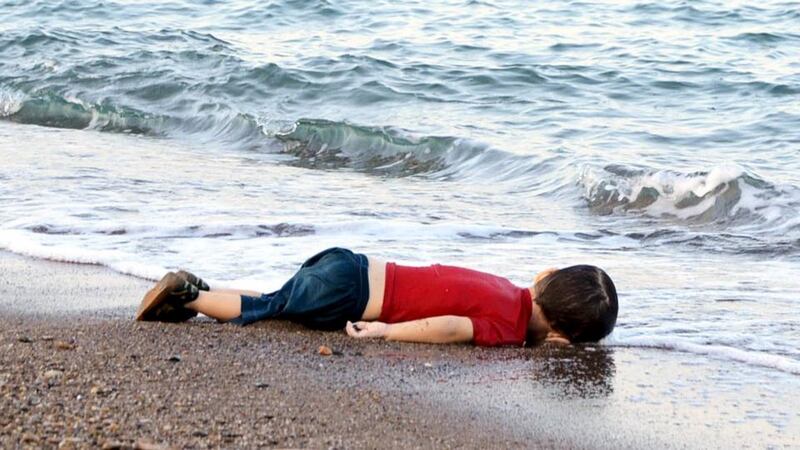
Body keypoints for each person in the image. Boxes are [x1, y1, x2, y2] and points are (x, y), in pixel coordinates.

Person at [135, 247, 618, 346]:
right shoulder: (510, 329)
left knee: (277, 298)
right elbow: (450, 327)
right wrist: (388, 331)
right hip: (352, 295)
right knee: (266, 310)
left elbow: (547, 275)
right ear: (563, 332)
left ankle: (202, 288)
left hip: (356, 265)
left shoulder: (512, 289)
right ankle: (189, 296)